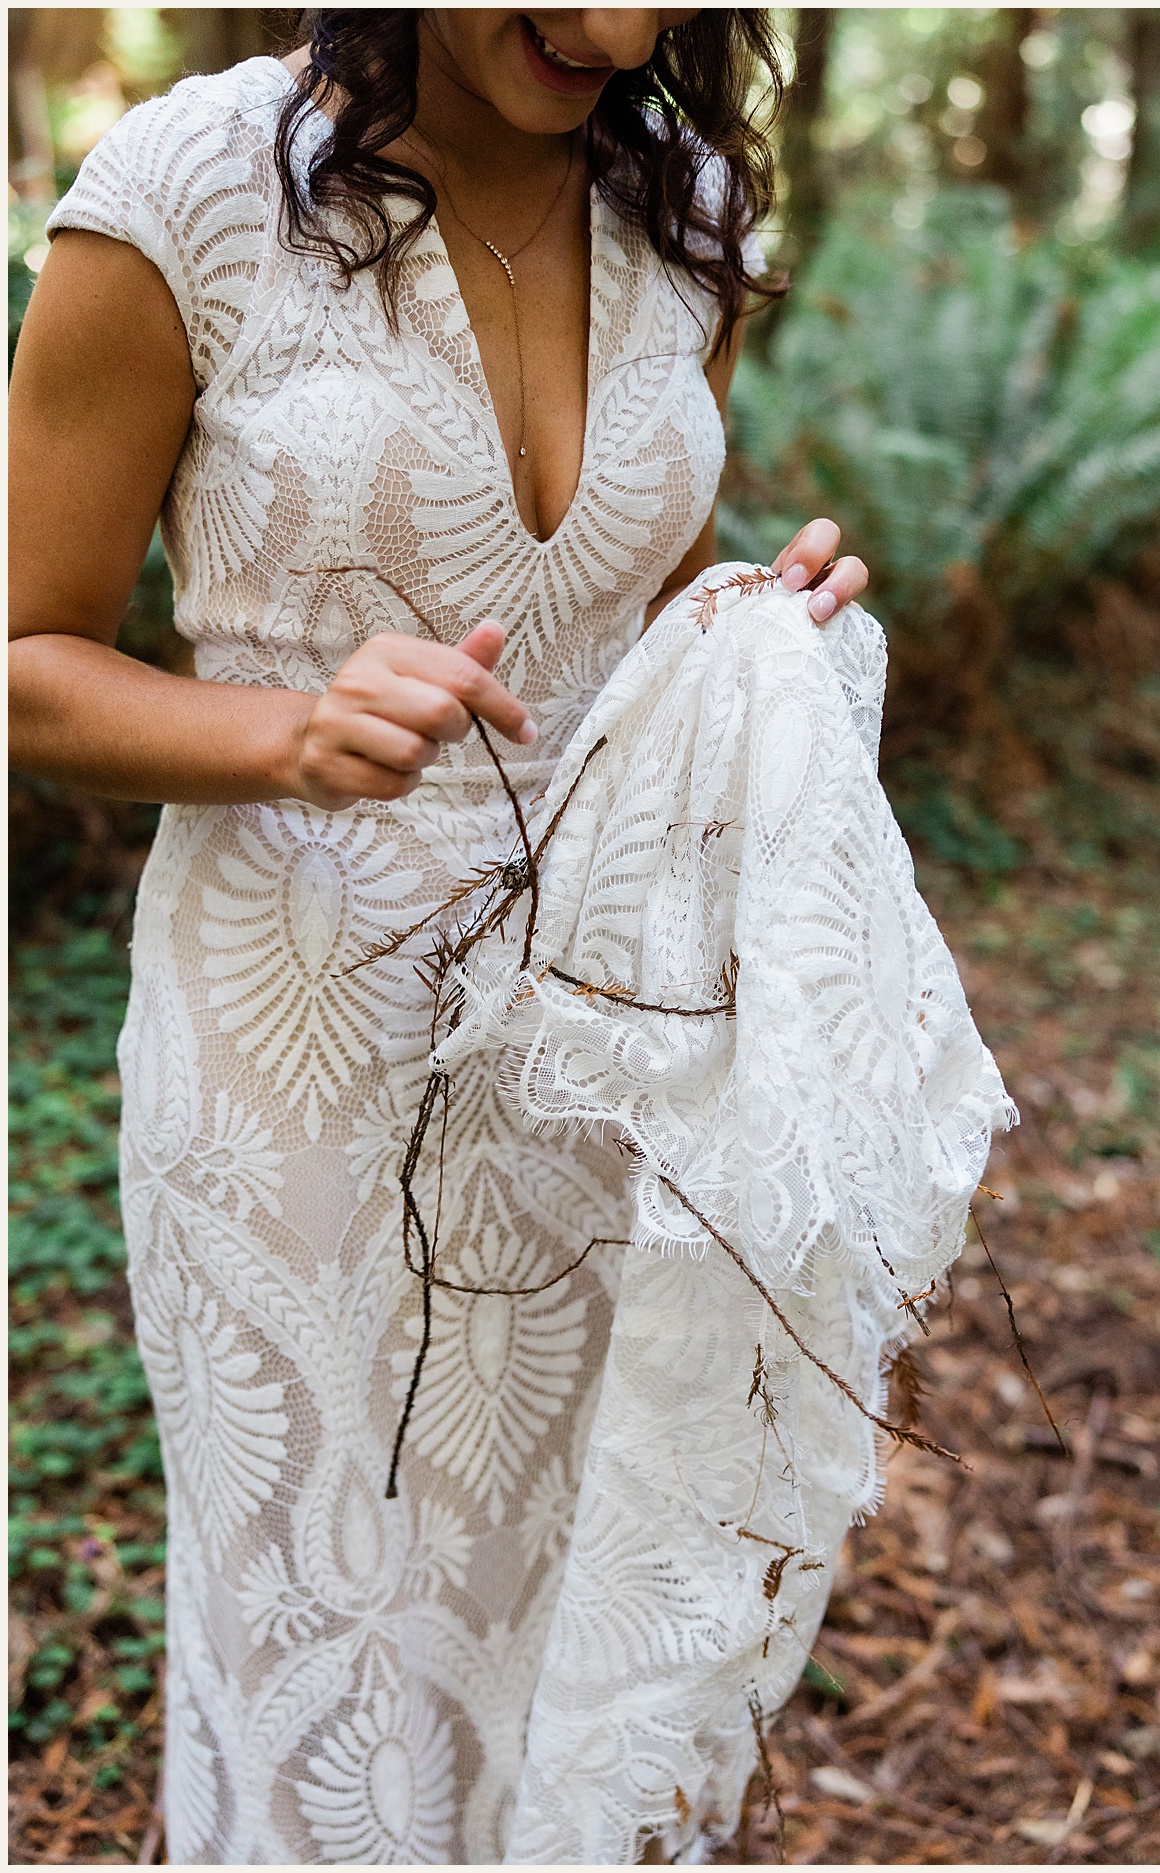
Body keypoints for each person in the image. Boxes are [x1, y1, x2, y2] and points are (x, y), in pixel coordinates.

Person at [8, 12, 872, 1860]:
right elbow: (25, 659)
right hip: (290, 1080)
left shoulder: (686, 208)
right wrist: (283, 731)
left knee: (562, 1616)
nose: (611, 29)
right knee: (328, 1652)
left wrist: (744, 632)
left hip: (588, 1061)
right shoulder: (182, 200)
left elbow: (599, 639)